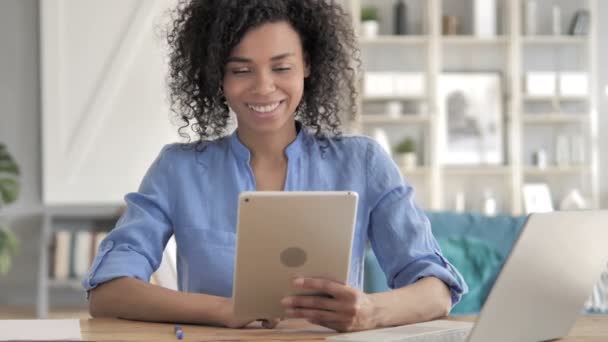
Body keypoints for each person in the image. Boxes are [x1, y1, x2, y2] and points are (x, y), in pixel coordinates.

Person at [83, 0, 467, 333]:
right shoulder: (178, 170)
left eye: (281, 68)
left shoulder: (362, 162)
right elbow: (108, 291)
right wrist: (225, 311)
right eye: (241, 70)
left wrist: (370, 312)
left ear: (308, 66)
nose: (263, 87)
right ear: (217, 75)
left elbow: (436, 290)